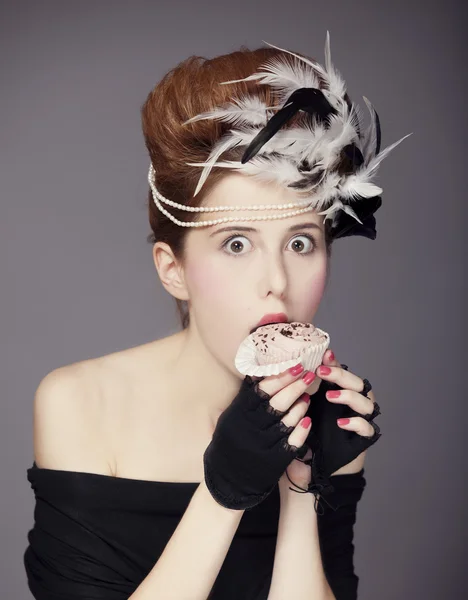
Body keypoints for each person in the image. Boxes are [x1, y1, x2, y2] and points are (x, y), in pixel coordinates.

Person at [23, 33, 408, 599]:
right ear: (172, 267)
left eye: (301, 243)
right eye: (236, 244)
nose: (276, 280)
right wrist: (223, 491)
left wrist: (302, 485)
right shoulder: (80, 403)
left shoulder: (331, 422)